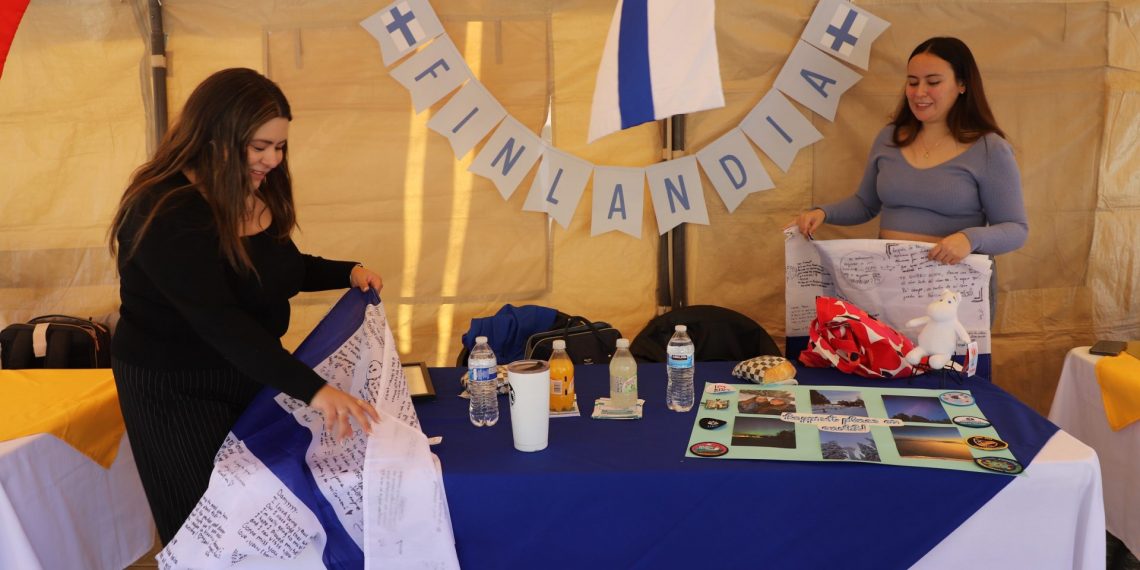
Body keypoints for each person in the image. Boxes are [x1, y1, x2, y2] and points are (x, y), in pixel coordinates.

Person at [108, 68, 383, 544]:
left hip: (247, 371)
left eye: (280, 147)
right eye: (260, 147)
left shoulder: (255, 188)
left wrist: (347, 272)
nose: (273, 160)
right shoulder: (165, 209)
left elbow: (278, 270)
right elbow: (220, 322)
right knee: (207, 522)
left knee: (263, 509)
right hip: (176, 388)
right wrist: (315, 390)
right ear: (216, 136)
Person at [791, 37, 1028, 269]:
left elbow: (1015, 229)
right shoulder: (889, 137)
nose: (919, 92)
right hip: (887, 279)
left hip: (954, 284)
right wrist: (823, 213)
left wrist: (970, 239)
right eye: (913, 82)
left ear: (962, 84)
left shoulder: (990, 149)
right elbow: (865, 204)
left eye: (933, 82)